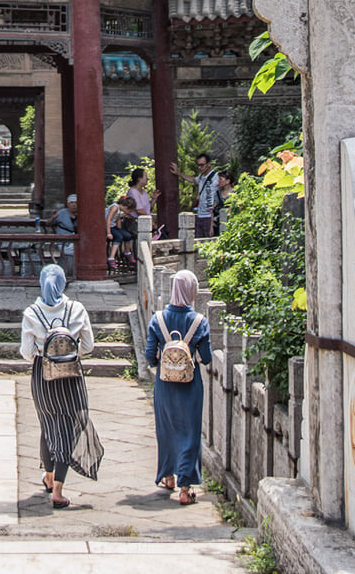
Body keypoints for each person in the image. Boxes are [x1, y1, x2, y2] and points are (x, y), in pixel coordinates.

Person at [20, 264, 104, 508]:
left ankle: (49, 476)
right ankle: (57, 489)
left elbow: (26, 353)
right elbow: (88, 346)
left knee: (48, 425)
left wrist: (43, 351)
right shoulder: (77, 309)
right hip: (71, 376)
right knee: (68, 427)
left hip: (42, 376)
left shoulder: (31, 313)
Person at [144, 268, 213, 504]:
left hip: (164, 385)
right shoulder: (199, 322)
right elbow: (207, 357)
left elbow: (150, 355)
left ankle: (168, 477)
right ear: (192, 290)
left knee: (167, 430)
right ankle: (185, 489)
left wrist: (163, 362)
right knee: (190, 433)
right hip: (190, 385)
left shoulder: (158, 319)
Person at [192, 153, 221, 238]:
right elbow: (193, 180)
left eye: (202, 165)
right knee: (198, 242)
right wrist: (179, 173)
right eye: (198, 165)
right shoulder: (201, 177)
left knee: (209, 240)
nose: (199, 167)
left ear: (209, 164)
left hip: (210, 215)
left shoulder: (216, 177)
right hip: (200, 214)